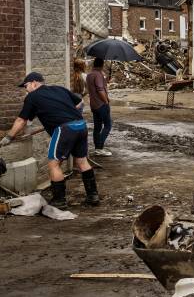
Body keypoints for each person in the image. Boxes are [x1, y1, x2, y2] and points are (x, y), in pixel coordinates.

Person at [0, 72, 100, 209]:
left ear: (34, 82)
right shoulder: (59, 89)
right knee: (82, 161)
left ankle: (59, 200)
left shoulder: (32, 97)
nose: (26, 89)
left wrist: (9, 137)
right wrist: (69, 114)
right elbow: (80, 102)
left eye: (26, 86)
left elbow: (21, 120)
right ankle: (93, 196)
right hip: (80, 125)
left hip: (64, 129)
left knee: (54, 164)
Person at [86, 58, 113, 156]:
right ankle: (99, 147)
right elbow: (100, 89)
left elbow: (97, 86)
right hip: (101, 104)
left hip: (93, 105)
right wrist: (106, 101)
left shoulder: (89, 75)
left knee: (97, 127)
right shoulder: (98, 75)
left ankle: (97, 148)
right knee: (108, 125)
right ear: (101, 65)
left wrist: (105, 80)